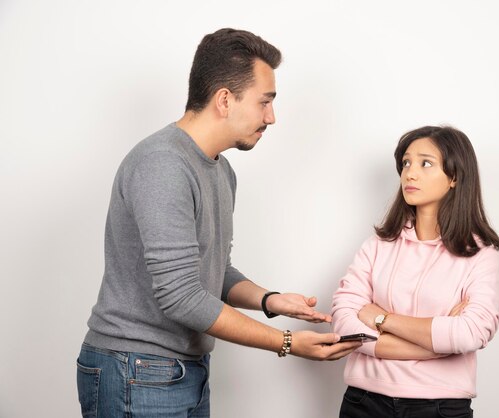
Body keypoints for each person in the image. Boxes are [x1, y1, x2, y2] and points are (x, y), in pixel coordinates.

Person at [76, 28, 360, 418]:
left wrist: (269, 300)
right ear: (225, 99)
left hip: (180, 371)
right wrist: (287, 342)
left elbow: (213, 271)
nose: (272, 117)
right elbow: (181, 297)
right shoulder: (162, 164)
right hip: (136, 370)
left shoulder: (221, 170)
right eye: (265, 102)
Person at [331, 126, 499, 418]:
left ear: (454, 177)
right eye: (406, 163)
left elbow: (470, 333)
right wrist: (435, 347)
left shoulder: (481, 254)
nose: (410, 174)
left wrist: (380, 317)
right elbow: (343, 323)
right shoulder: (379, 245)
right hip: (363, 403)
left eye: (426, 163)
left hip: (438, 408)